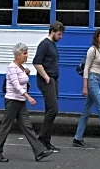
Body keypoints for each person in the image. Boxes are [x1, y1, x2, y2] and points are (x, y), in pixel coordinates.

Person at [0, 42, 52, 163]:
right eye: (24, 53)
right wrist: (28, 97)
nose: (27, 55)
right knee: (6, 127)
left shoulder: (21, 68)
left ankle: (39, 152)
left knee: (27, 126)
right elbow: (16, 85)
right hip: (12, 100)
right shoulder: (12, 67)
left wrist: (26, 73)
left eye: (27, 53)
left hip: (20, 101)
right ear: (18, 55)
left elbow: (22, 82)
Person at [33, 21, 65, 152]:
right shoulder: (44, 44)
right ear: (52, 31)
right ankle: (41, 140)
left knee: (49, 111)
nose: (61, 37)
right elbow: (36, 62)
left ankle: (47, 142)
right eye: (59, 34)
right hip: (47, 80)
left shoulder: (52, 45)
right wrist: (46, 77)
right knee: (53, 110)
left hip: (53, 80)